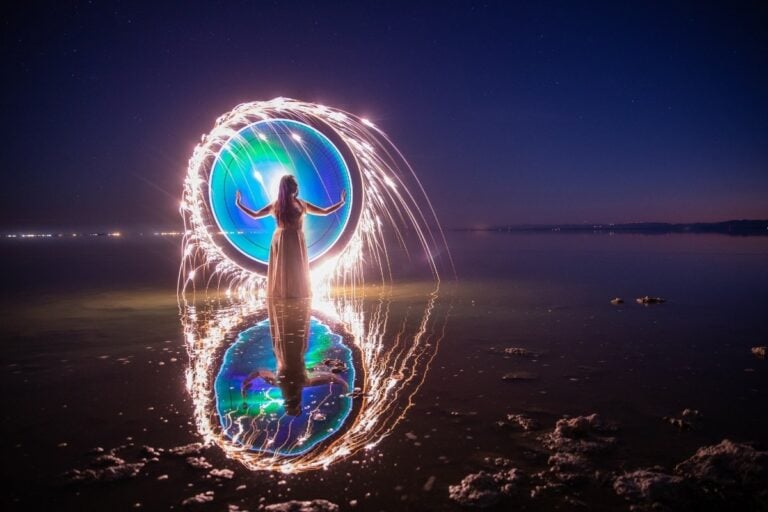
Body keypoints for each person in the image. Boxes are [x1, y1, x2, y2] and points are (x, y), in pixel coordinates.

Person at [236, 175, 346, 298]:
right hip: (282, 239)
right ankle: (284, 295)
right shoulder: (276, 205)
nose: (296, 186)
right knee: (284, 268)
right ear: (287, 187)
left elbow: (324, 212)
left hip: (295, 238)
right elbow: (256, 215)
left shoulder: (301, 204)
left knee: (296, 268)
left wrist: (341, 203)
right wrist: (239, 204)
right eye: (293, 184)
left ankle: (295, 295)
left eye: (295, 184)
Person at [239, 298, 348, 416]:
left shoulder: (299, 382)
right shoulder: (282, 382)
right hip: (284, 347)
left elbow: (332, 378)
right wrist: (245, 385)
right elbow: (332, 378)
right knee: (285, 319)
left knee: (290, 319)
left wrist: (345, 386)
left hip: (289, 346)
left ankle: (289, 301)